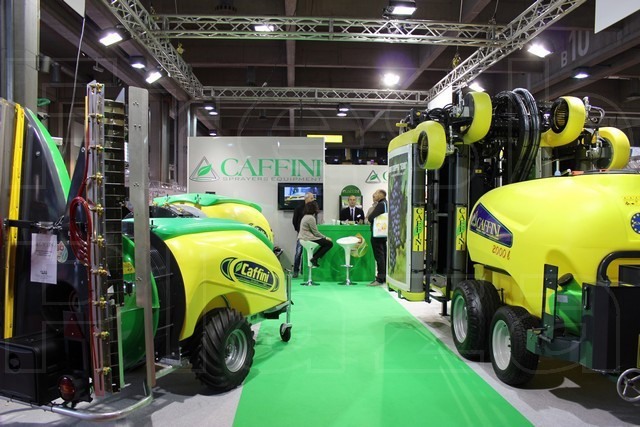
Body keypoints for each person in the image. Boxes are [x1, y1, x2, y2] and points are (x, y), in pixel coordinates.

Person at [298, 201, 333, 267]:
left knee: (325, 243)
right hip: (307, 238)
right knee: (329, 244)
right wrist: (325, 237)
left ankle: (314, 258)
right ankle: (314, 258)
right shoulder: (311, 218)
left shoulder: (305, 216)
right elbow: (316, 233)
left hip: (303, 237)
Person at [292, 192, 316, 278]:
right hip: (301, 234)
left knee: (307, 252)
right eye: (311, 198)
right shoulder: (299, 208)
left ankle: (304, 270)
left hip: (310, 234)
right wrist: (299, 230)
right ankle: (295, 271)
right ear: (306, 198)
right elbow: (294, 221)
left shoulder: (313, 208)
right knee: (299, 252)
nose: (313, 200)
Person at [367, 189, 387, 286]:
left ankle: (380, 278)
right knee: (383, 255)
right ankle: (384, 276)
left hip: (377, 234)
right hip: (383, 233)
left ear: (381, 195)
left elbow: (371, 217)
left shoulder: (381, 204)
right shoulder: (386, 203)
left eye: (375, 193)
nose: (373, 195)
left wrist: (370, 217)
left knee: (379, 256)